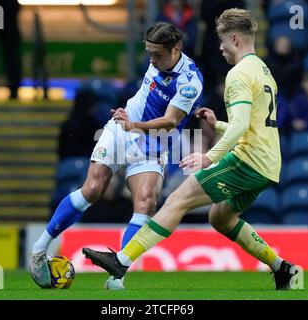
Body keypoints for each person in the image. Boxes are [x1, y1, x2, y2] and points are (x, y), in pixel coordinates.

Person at [83, 8, 299, 291]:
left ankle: (121, 260)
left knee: (176, 200)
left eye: (222, 40)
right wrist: (217, 124)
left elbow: (240, 129)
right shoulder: (263, 70)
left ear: (234, 38)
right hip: (268, 165)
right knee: (220, 218)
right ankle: (282, 268)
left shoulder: (238, 75)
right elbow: (251, 124)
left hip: (247, 161)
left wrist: (209, 156)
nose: (219, 47)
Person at [30, 22, 204, 290]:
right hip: (121, 129)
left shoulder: (190, 81)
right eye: (149, 54)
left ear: (176, 49)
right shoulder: (158, 59)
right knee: (93, 188)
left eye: (157, 55)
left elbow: (170, 122)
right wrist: (130, 125)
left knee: (146, 202)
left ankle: (116, 277)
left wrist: (134, 125)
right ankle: (40, 249)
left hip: (152, 143)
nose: (152, 60)